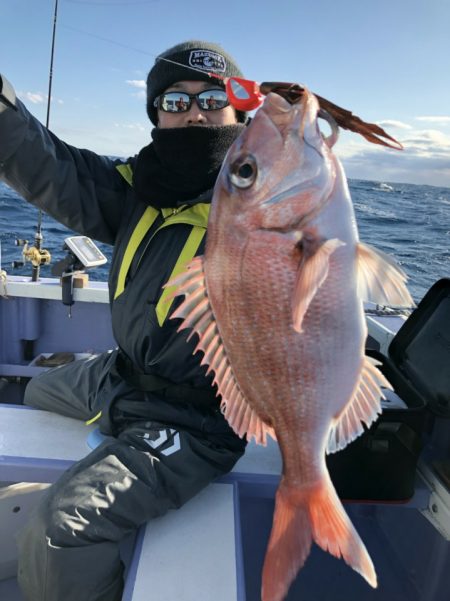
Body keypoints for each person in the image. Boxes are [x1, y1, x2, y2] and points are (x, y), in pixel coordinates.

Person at [0, 40, 248, 601]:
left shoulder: (255, 206)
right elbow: (53, 165)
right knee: (37, 392)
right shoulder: (138, 186)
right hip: (123, 375)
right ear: (156, 114)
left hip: (200, 418)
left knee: (60, 532)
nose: (195, 112)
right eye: (175, 100)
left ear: (240, 110)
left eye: (212, 98)